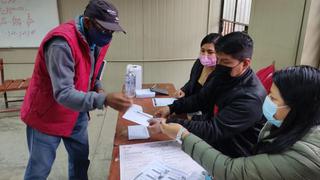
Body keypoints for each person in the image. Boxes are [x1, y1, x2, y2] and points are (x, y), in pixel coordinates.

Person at [20, 0, 132, 179]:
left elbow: (90, 72)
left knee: (80, 161)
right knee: (39, 169)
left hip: (76, 113)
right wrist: (104, 99)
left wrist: (98, 87)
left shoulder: (98, 39)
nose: (108, 35)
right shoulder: (61, 44)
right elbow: (63, 93)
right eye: (105, 30)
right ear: (87, 22)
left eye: (112, 31)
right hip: (47, 115)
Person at [150, 65, 320, 180]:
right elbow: (201, 99)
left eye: (273, 98)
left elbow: (231, 169)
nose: (266, 100)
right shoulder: (284, 123)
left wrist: (182, 133)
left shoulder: (304, 156)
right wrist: (175, 110)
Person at [152, 32, 267, 157]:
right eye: (218, 59)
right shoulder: (221, 74)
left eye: (226, 62)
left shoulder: (250, 97)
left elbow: (213, 130)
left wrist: (169, 123)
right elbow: (200, 99)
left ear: (245, 63)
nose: (220, 65)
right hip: (213, 142)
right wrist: (171, 108)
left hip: (233, 154)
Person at [174, 33, 221, 99]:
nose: (205, 55)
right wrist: (183, 90)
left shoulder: (221, 73)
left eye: (210, 52)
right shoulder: (199, 63)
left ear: (220, 53)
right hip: (189, 102)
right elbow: (191, 82)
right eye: (202, 50)